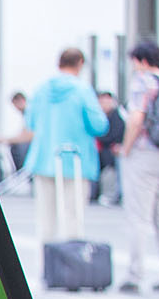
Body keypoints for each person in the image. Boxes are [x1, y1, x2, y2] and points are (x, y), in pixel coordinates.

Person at [21, 48, 107, 243]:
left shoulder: (41, 89)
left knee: (45, 219)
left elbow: (30, 122)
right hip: (76, 160)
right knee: (73, 216)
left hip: (44, 158)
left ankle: (46, 265)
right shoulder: (82, 90)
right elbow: (99, 125)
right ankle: (70, 265)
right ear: (80, 63)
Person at [119, 42, 159, 293]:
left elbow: (136, 119)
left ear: (142, 61)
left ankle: (135, 274)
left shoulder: (142, 82)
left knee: (139, 216)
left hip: (146, 154)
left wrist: (126, 150)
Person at [93, 92, 124, 205]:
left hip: (110, 151)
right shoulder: (97, 116)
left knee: (109, 169)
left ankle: (110, 195)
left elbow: (115, 135)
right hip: (99, 151)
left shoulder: (116, 116)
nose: (104, 104)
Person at [0, 91, 32, 177]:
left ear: (21, 101)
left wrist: (6, 140)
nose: (16, 109)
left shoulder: (31, 112)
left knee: (18, 147)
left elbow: (27, 136)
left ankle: (24, 174)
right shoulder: (27, 113)